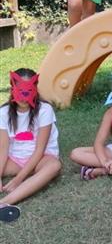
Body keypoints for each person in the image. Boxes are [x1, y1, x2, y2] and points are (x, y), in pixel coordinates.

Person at [0, 69, 61, 223]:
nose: (24, 97)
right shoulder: (4, 112)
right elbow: (3, 148)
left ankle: (4, 202)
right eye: (20, 91)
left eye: (28, 91)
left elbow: (40, 150)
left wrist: (18, 179)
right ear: (12, 88)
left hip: (41, 159)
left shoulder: (45, 110)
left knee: (54, 166)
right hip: (15, 159)